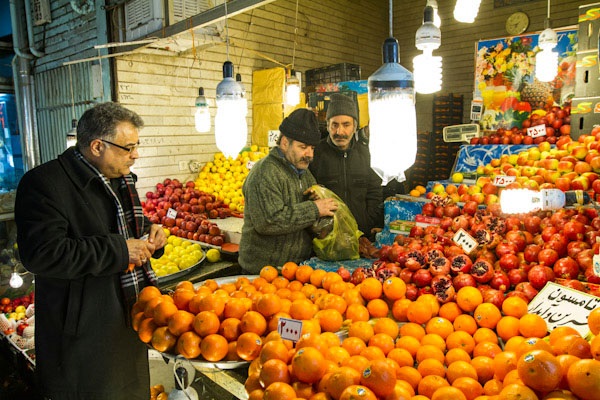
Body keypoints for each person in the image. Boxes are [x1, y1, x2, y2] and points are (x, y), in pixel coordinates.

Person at [14, 102, 167, 400]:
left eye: (136, 146)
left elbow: (122, 226)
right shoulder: (44, 184)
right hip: (82, 331)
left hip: (127, 314)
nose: (135, 154)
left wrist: (151, 234)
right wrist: (121, 251)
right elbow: (42, 253)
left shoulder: (120, 178)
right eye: (128, 147)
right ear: (97, 146)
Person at [239, 108, 338, 274]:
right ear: (285, 143)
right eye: (303, 147)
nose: (309, 154)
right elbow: (268, 221)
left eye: (312, 148)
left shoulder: (305, 174)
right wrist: (314, 209)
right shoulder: (265, 173)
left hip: (295, 269)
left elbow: (306, 220)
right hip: (264, 272)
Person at [309, 93, 383, 240]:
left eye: (346, 125)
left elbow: (375, 192)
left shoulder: (367, 154)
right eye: (335, 125)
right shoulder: (315, 155)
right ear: (328, 125)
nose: (340, 132)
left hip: (362, 236)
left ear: (355, 126)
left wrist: (367, 224)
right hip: (327, 238)